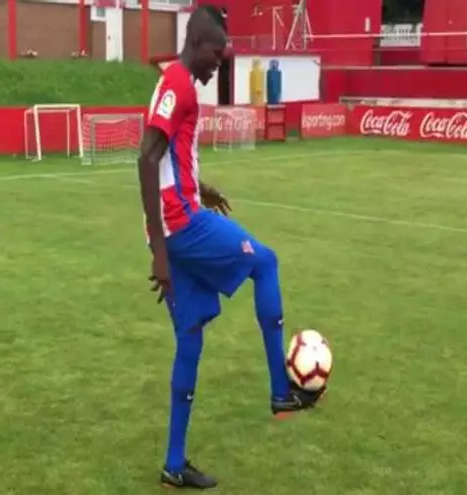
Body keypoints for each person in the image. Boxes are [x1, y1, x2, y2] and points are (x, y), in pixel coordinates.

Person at [137, 6, 326, 490]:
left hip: (177, 218)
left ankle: (173, 465)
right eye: (216, 59)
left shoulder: (176, 83)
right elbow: (145, 158)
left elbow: (168, 162)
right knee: (265, 261)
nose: (216, 68)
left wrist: (204, 187)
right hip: (180, 227)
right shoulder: (179, 84)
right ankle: (280, 393)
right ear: (198, 43)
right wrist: (161, 251)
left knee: (191, 338)